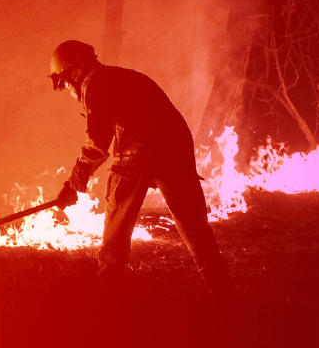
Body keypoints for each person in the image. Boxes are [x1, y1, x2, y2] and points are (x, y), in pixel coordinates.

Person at [49, 40, 231, 296]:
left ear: (74, 70)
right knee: (195, 227)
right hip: (174, 148)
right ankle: (224, 292)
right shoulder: (120, 77)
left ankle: (105, 299)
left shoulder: (94, 83)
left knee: (115, 233)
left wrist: (74, 182)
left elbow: (98, 144)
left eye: (65, 82)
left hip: (136, 152)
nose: (68, 89)